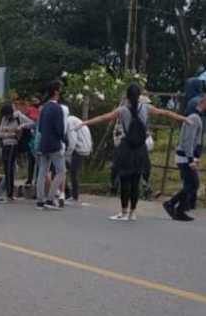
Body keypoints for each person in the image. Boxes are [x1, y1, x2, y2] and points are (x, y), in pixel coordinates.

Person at [81, 83, 190, 221]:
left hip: (126, 149)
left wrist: (84, 123)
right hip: (140, 149)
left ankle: (123, 212)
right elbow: (166, 113)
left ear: (127, 96)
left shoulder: (122, 110)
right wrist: (185, 119)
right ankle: (133, 213)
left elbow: (104, 117)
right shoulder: (146, 107)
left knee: (125, 181)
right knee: (135, 181)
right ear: (140, 96)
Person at [163, 95, 206, 221]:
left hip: (186, 156)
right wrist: (191, 159)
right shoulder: (194, 117)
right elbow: (188, 140)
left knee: (192, 184)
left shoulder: (197, 117)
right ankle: (172, 205)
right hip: (185, 157)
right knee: (192, 184)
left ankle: (177, 208)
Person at [35, 80, 67, 211]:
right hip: (54, 144)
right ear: (56, 91)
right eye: (60, 89)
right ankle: (50, 198)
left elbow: (40, 128)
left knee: (42, 172)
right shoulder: (57, 108)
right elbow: (60, 129)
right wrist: (64, 140)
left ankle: (40, 200)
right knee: (61, 171)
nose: (61, 91)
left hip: (43, 143)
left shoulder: (44, 108)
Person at [0, 102, 34, 200]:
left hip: (13, 145)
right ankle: (8, 192)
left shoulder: (18, 117)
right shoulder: (4, 119)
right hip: (5, 145)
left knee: (10, 168)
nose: (6, 117)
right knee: (6, 168)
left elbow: (32, 123)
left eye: (8, 114)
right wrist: (11, 133)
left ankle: (9, 193)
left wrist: (22, 126)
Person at [64, 115, 93, 205]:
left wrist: (67, 155)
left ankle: (73, 196)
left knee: (73, 172)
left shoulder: (69, 122)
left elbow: (72, 142)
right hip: (85, 146)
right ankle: (70, 194)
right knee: (72, 171)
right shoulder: (73, 119)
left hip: (79, 148)